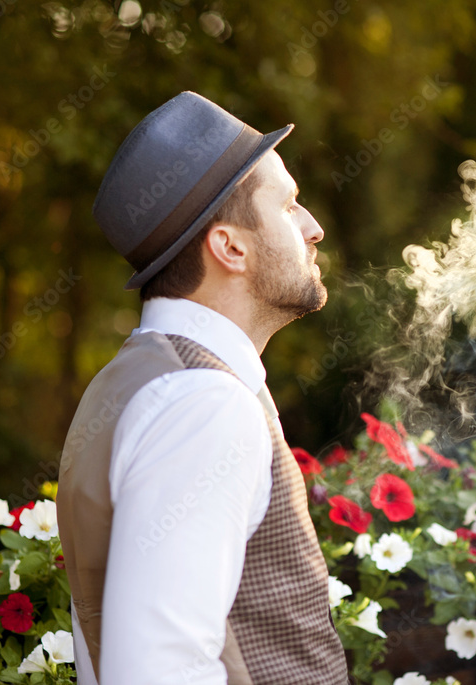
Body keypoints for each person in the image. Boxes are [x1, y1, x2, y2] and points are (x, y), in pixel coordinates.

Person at [56, 92, 348, 684]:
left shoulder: (141, 378)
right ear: (230, 247)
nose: (312, 227)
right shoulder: (202, 403)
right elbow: (158, 669)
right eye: (289, 207)